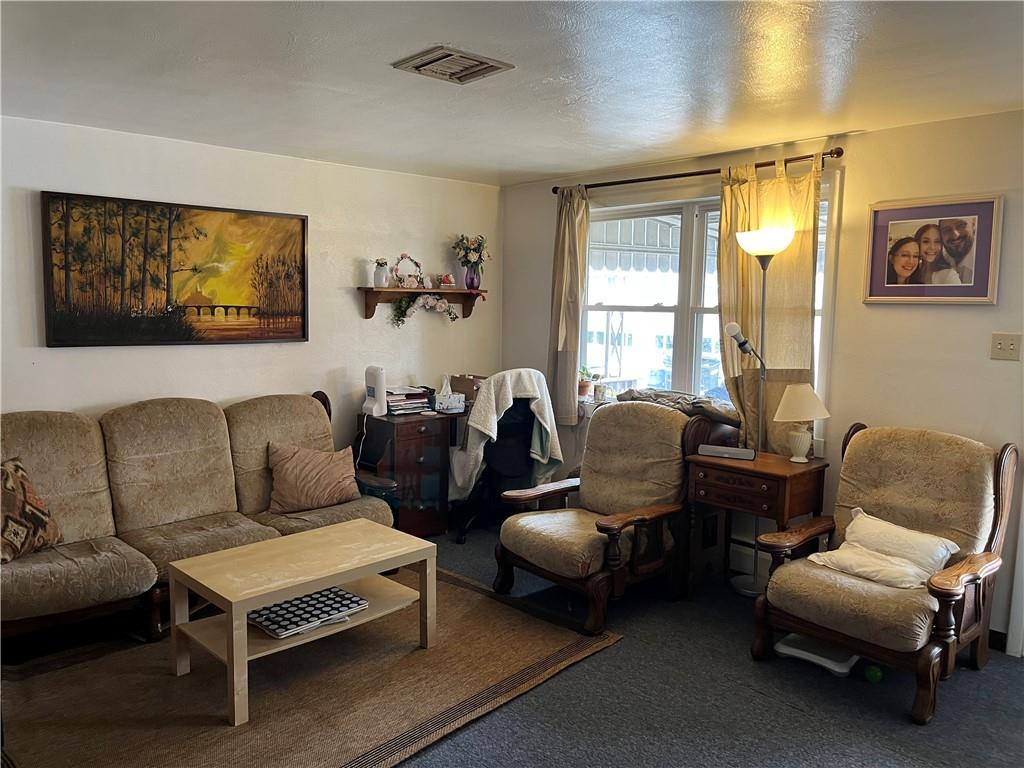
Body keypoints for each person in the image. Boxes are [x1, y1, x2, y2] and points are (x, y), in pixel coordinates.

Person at [938, 217, 976, 284]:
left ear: (973, 224)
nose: (955, 235)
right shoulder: (940, 260)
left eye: (961, 225)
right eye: (947, 230)